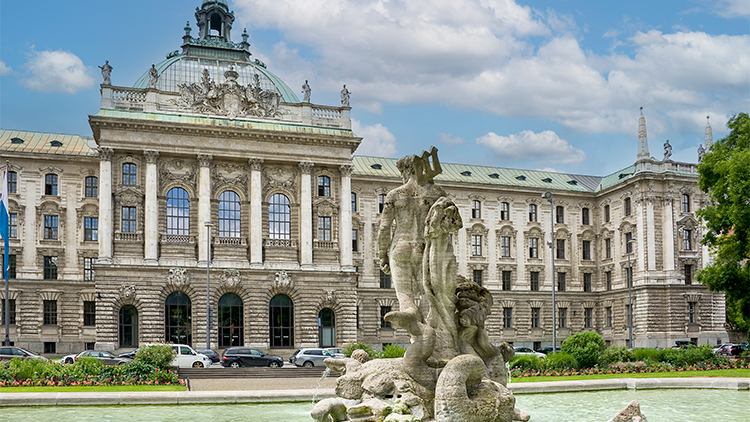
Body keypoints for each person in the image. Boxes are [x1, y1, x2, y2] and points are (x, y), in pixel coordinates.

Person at [378, 150, 445, 330]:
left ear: (406, 171)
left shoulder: (394, 195)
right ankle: (430, 334)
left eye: (401, 173)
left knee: (405, 296)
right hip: (426, 249)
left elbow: (384, 228)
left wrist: (382, 256)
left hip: (400, 247)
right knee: (427, 296)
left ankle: (411, 317)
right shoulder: (437, 192)